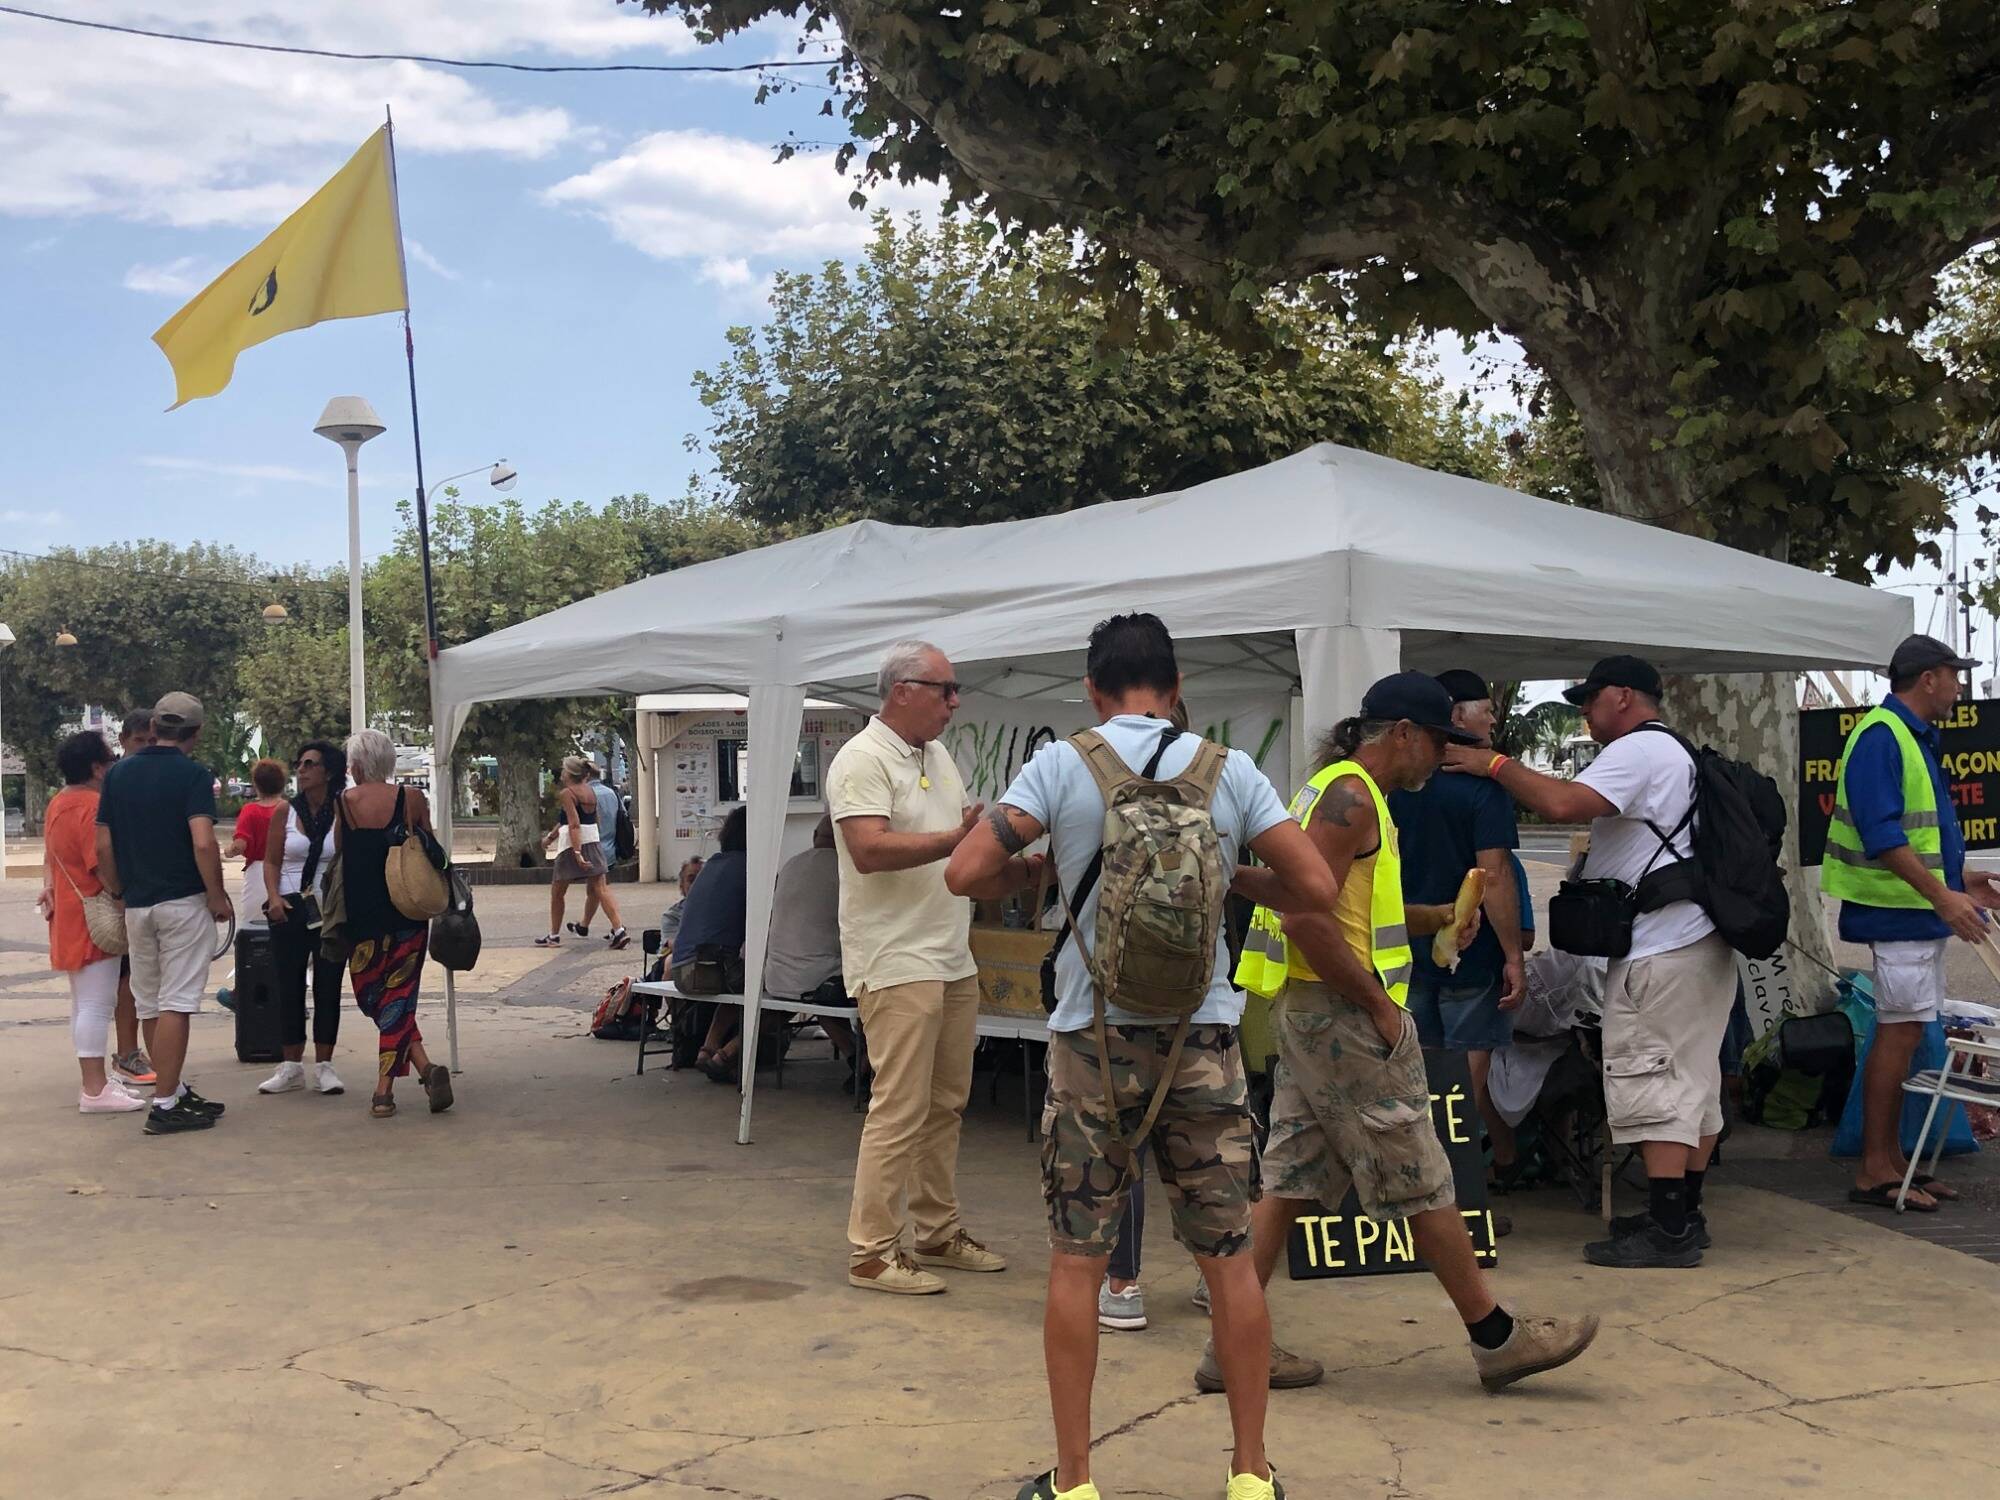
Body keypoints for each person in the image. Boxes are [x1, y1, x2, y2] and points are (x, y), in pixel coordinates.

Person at [948, 614, 1353, 1500]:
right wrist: (1238, 872)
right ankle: (1250, 1476)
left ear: (1093, 690)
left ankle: (1077, 1481)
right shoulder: (1228, 770)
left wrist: (1039, 869)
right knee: (1229, 1260)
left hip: (1091, 1042)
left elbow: (965, 872)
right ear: (1174, 690)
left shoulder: (1062, 765)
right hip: (1202, 1041)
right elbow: (1317, 887)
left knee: (1077, 1262)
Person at [1235, 671, 1598, 1397]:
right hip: (1342, 1016)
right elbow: (1308, 917)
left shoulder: (1348, 793)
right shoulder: (1349, 797)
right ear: (1402, 733)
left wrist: (1433, 918)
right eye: (1436, 742)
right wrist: (1374, 1004)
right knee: (1420, 1172)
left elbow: (1344, 904)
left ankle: (1232, 1344)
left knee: (1294, 1177)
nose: (1440, 757)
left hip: (1315, 1012)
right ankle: (1496, 1337)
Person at [1443, 654, 1737, 1268]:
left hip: (1661, 947)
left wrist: (1492, 764)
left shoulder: (1638, 749)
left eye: (1590, 698)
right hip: (1696, 941)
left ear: (1623, 696)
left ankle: (1668, 1230)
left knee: (1651, 1078)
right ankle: (1684, 1213)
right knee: (1693, 1081)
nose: (1583, 711)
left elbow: (1563, 804)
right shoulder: (1675, 751)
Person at [831, 639, 1000, 1296]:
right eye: (945, 689)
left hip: (949, 952)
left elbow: (958, 849)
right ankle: (872, 1252)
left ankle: (936, 1230)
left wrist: (1003, 861)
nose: (955, 702)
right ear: (902, 690)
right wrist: (955, 840)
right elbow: (868, 850)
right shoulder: (862, 759)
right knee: (899, 1108)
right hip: (896, 957)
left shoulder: (936, 754)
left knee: (945, 1105)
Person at [1822, 634, 2000, 1211]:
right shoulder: (1883, 735)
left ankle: (1896, 1162)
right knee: (1898, 1034)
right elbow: (1883, 838)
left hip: (1915, 912)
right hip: (1898, 913)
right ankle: (1875, 1168)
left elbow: (1919, 835)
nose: (1960, 686)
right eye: (1955, 674)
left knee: (1906, 1029)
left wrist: (1961, 882)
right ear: (1929, 678)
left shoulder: (1912, 735)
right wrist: (1944, 898)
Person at [1385, 670, 1527, 1187]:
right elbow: (1494, 876)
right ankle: (1462, 1191)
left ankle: (1419, 1185)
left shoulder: (1391, 784)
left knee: (1416, 1073)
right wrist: (1513, 954)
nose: (1492, 716)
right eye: (1482, 707)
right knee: (1466, 1079)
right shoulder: (1482, 790)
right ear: (1454, 716)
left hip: (1405, 948)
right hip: (1473, 954)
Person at [95, 692, 234, 1136]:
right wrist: (216, 894)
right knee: (178, 1002)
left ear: (153, 727)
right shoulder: (193, 776)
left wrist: (118, 892)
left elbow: (103, 845)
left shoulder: (118, 775)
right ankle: (166, 1101)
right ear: (196, 732)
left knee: (150, 1001)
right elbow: (202, 841)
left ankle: (171, 1088)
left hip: (137, 904)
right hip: (183, 902)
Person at [338, 729, 454, 1119]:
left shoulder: (345, 804)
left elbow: (340, 853)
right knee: (396, 1000)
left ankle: (383, 1089)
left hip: (362, 918)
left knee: (375, 997)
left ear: (355, 765)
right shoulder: (412, 799)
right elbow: (431, 847)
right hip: (408, 912)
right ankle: (425, 1067)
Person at [44, 730, 148, 1114]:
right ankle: (94, 1089)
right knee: (96, 1003)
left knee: (84, 1002)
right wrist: (123, 896)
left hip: (71, 913)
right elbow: (100, 863)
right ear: (96, 767)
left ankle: (97, 1084)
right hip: (95, 914)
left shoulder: (59, 802)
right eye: (108, 759)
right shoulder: (91, 806)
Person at [256, 739, 348, 1098]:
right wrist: (274, 897)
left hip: (328, 908)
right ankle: (291, 1064)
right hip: (290, 906)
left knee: (328, 985)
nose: (301, 769)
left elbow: (345, 858)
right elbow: (272, 860)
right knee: (288, 984)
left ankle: (325, 1065)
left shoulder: (342, 808)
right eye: (299, 763)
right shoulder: (285, 811)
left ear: (328, 771)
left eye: (310, 764)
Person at [763, 813, 859, 1072]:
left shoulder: (790, 866)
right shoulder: (846, 870)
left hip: (776, 979)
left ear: (815, 837)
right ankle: (867, 1060)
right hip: (820, 982)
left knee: (810, 995)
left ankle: (725, 1052)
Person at [671, 806, 750, 1082]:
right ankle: (726, 1054)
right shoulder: (749, 869)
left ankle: (708, 1047)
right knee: (781, 989)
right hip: (708, 969)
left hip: (682, 968)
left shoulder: (713, 865)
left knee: (743, 985)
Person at [539, 755, 629, 950]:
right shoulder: (590, 792)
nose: (561, 774)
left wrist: (578, 852)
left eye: (563, 770)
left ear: (570, 774)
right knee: (601, 888)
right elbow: (587, 819)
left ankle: (554, 935)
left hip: (572, 844)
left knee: (558, 891)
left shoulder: (567, 793)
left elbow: (573, 823)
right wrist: (551, 837)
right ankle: (619, 929)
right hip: (593, 841)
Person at [228, 757, 288, 929]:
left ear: (256, 784)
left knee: (255, 929)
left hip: (257, 875)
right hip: (286, 871)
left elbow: (241, 844)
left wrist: (230, 851)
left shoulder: (250, 811)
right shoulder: (289, 809)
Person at [660, 856, 705, 948]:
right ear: (682, 886)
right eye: (691, 880)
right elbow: (675, 945)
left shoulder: (722, 911)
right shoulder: (672, 916)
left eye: (702, 878)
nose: (697, 884)